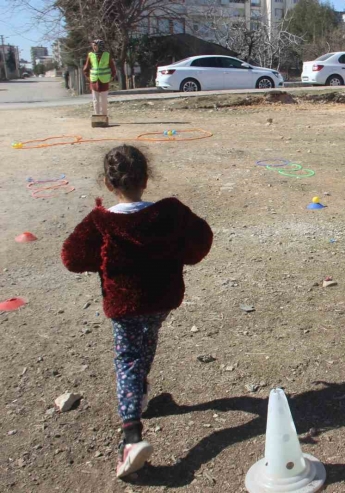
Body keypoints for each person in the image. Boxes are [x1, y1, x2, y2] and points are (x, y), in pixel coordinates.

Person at [61, 145, 213, 479]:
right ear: (146, 179)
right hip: (161, 298)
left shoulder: (100, 223)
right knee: (146, 342)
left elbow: (71, 258)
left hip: (124, 301)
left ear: (107, 183)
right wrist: (178, 254)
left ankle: (131, 436)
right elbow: (201, 239)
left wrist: (103, 265)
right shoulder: (171, 213)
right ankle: (140, 395)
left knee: (127, 358)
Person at [83, 39, 116, 118]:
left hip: (104, 81)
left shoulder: (107, 55)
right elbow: (86, 69)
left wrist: (111, 77)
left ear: (100, 46)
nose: (94, 47)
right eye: (93, 46)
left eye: (96, 45)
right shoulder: (90, 55)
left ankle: (104, 116)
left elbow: (113, 68)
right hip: (94, 81)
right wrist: (89, 78)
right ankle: (97, 117)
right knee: (95, 101)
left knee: (104, 100)